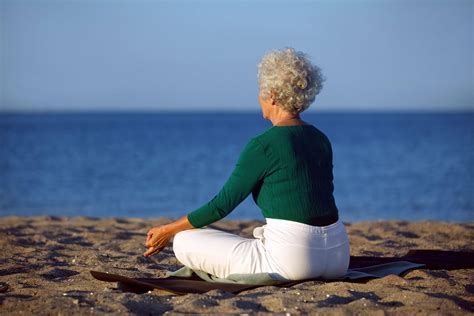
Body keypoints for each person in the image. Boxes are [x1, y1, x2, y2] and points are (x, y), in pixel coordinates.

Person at [144, 47, 350, 281]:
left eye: (261, 92)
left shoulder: (263, 145)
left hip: (293, 261)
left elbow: (221, 205)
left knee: (184, 240)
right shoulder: (321, 139)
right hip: (338, 257)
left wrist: (168, 230)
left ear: (272, 94)